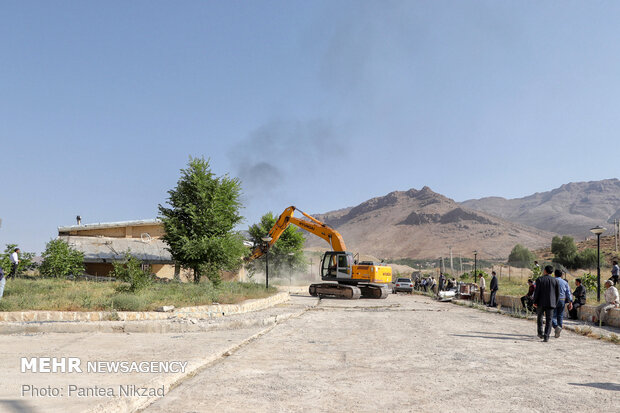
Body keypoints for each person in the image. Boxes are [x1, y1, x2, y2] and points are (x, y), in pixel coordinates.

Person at [533, 265, 560, 342]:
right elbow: (557, 294)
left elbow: (537, 292)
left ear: (545, 271)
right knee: (549, 320)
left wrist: (535, 301)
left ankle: (540, 333)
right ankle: (546, 336)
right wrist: (555, 303)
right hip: (551, 303)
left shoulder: (540, 279)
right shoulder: (555, 281)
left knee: (540, 318)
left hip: (541, 303)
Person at [552, 269, 572, 338]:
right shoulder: (565, 282)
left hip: (554, 300)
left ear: (554, 274)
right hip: (562, 300)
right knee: (560, 316)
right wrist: (570, 302)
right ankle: (558, 331)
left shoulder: (552, 281)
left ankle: (556, 327)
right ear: (562, 275)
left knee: (552, 316)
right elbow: (568, 293)